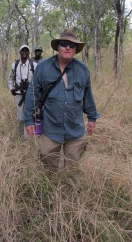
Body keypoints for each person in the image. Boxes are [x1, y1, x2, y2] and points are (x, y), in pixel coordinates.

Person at [23, 28, 100, 169]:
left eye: (72, 45)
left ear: (76, 49)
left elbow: (88, 95)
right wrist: (28, 120)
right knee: (48, 162)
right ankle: (53, 185)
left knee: (73, 167)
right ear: (58, 46)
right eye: (64, 43)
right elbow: (32, 94)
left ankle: (70, 188)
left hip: (75, 129)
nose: (68, 47)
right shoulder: (43, 67)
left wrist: (92, 118)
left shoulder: (83, 70)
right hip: (50, 128)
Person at [9, 45, 37, 138]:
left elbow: (38, 80)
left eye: (26, 50)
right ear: (20, 52)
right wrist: (11, 88)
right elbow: (11, 78)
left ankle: (27, 138)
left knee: (29, 115)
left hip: (30, 94)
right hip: (19, 94)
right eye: (22, 50)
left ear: (29, 52)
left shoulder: (34, 65)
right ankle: (20, 135)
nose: (24, 52)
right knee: (20, 115)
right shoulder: (15, 65)